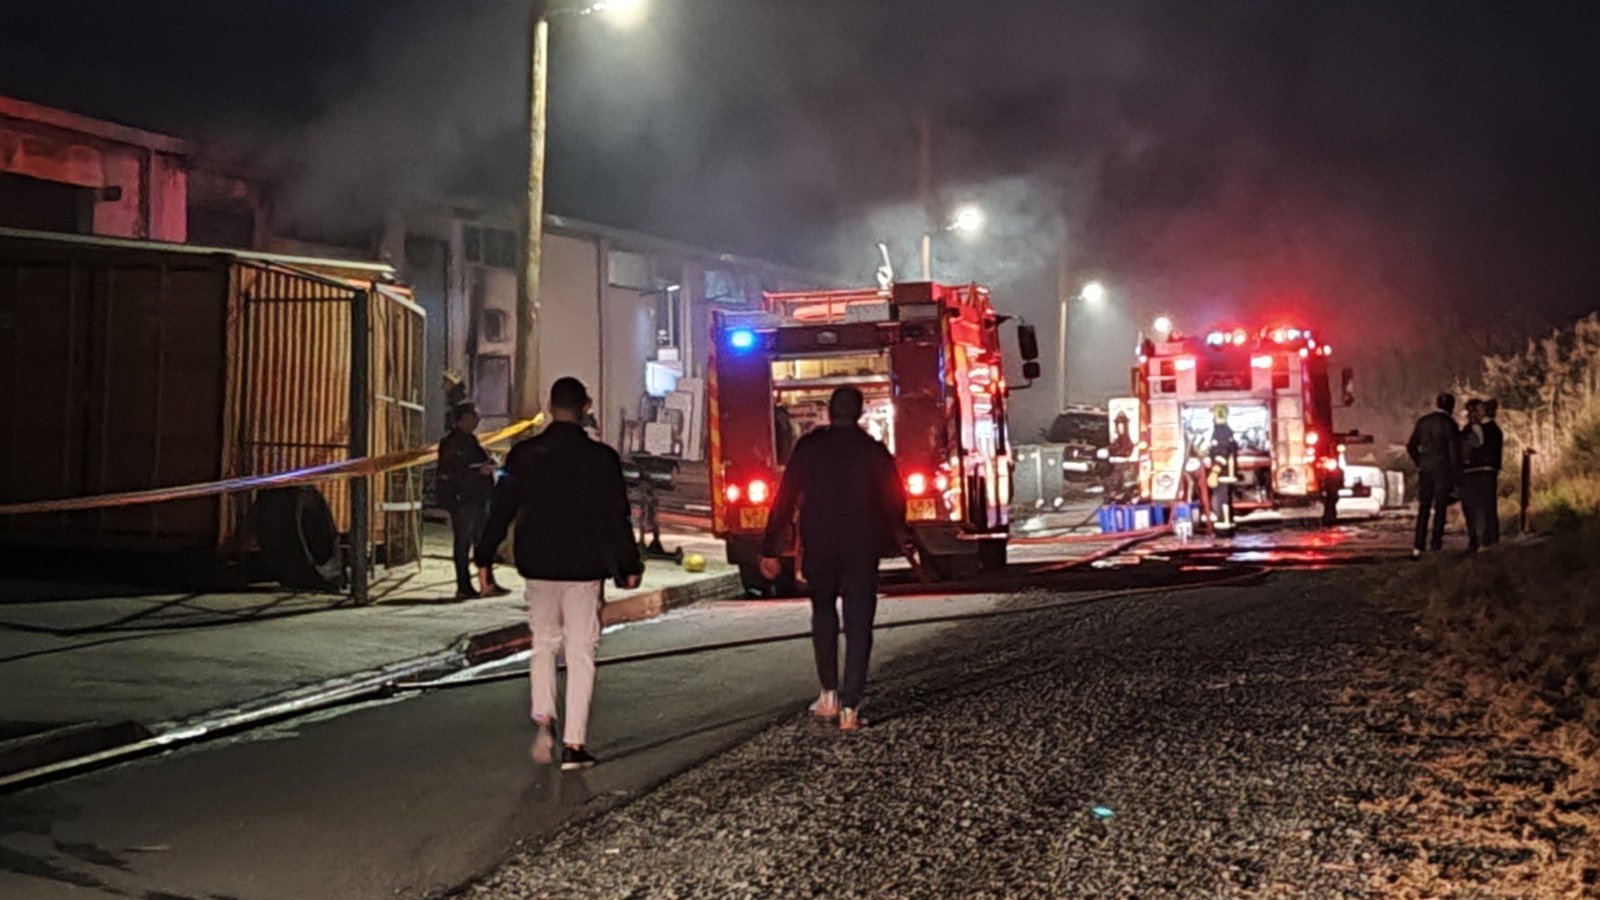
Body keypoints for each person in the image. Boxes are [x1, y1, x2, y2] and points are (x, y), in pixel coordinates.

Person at [475, 377, 643, 770]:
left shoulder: (524, 455)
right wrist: (629, 566)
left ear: (551, 407)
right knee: (581, 650)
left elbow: (501, 509)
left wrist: (483, 556)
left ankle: (543, 716)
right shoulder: (601, 459)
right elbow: (615, 518)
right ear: (585, 407)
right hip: (583, 566)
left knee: (544, 642)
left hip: (537, 563)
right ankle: (574, 744)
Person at [760, 387, 905, 732]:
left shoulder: (809, 448)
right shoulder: (874, 451)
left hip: (820, 544)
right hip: (861, 546)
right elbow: (895, 501)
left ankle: (828, 695)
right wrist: (892, 539)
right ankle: (850, 708)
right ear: (861, 413)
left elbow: (785, 497)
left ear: (828, 411)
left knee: (823, 612)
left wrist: (770, 547)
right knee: (859, 623)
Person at [437, 402, 505, 600]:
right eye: (474, 416)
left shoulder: (471, 440)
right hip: (464, 499)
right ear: (463, 419)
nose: (477, 421)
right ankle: (464, 585)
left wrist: (489, 464)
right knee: (463, 542)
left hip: (479, 497)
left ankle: (487, 583)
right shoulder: (451, 443)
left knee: (481, 542)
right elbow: (448, 472)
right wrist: (477, 471)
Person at [1406, 392, 1460, 558]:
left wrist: (1420, 461)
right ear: (1451, 406)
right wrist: (1456, 475)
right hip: (1443, 470)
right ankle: (1435, 544)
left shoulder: (1423, 422)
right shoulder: (1450, 424)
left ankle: (1418, 545)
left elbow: (1411, 446)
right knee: (1440, 508)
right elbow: (1454, 452)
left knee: (1424, 507)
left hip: (1426, 469)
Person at [1461, 399, 1502, 551]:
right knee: (1485, 506)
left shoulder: (1476, 429)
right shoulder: (1493, 429)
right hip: (1485, 471)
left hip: (1476, 471)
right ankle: (1486, 539)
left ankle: (1481, 539)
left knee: (1477, 506)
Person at [1482, 399, 1504, 545]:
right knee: (1490, 504)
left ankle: (1487, 536)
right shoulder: (1495, 430)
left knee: (1483, 504)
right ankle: (1492, 536)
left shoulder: (1484, 429)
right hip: (1491, 470)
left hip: (1483, 470)